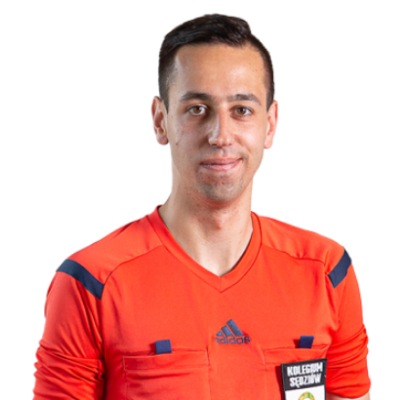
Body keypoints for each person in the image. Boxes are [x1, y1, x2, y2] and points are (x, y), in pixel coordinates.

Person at [33, 14, 371, 400]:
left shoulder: (327, 272)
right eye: (197, 108)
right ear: (160, 121)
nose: (220, 135)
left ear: (270, 123)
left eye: (241, 110)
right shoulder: (90, 283)